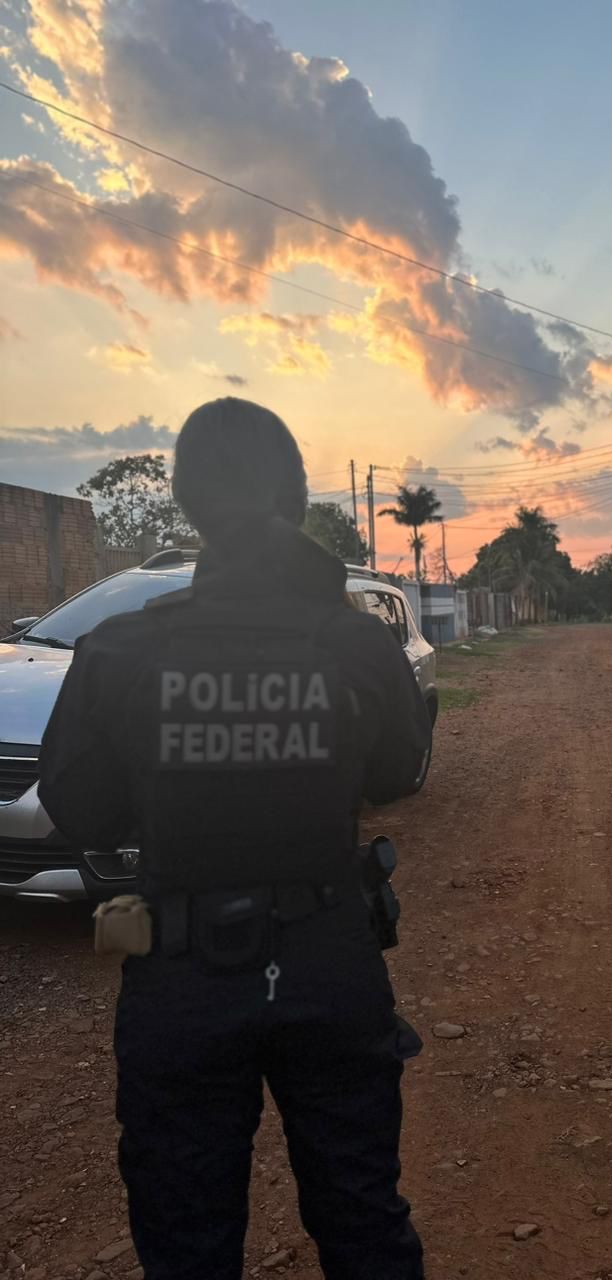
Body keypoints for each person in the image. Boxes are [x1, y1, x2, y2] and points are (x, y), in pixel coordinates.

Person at [39, 398, 431, 1280]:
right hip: (331, 960)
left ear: (185, 500)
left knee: (185, 1240)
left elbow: (82, 811)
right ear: (295, 498)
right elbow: (398, 774)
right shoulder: (356, 643)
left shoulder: (119, 649)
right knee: (364, 1218)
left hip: (180, 979)